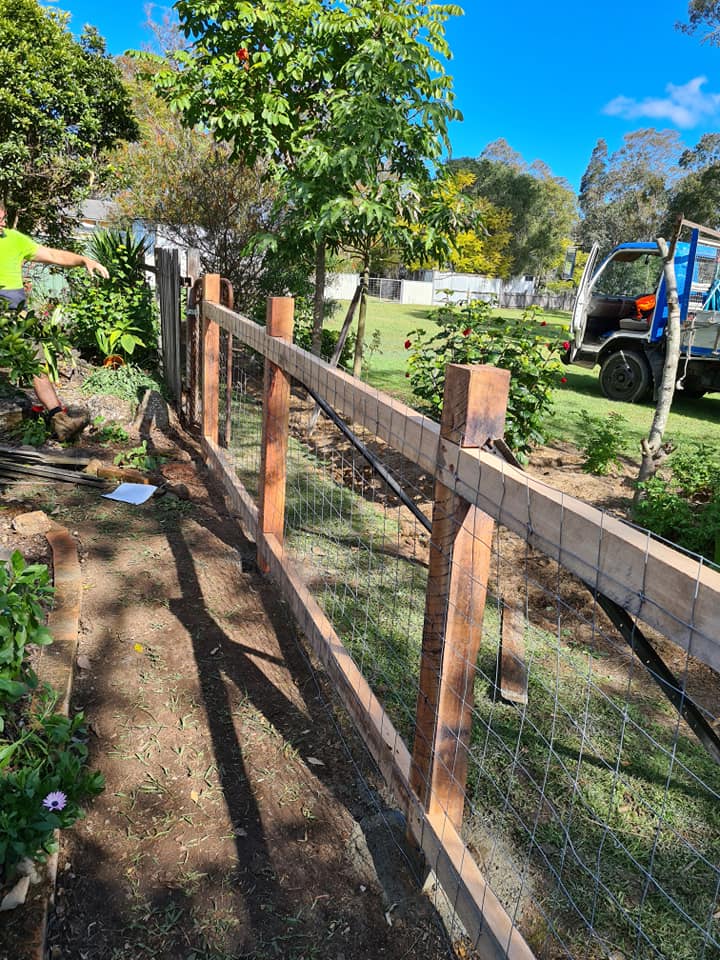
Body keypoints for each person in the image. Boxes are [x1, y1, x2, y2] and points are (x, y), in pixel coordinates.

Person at [0, 201, 109, 440]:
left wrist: (83, 260)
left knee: (36, 366)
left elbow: (50, 254)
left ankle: (60, 422)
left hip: (15, 316)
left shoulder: (15, 239)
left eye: (0, 212)